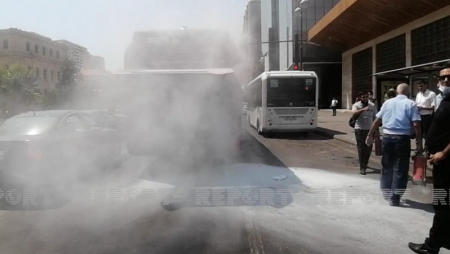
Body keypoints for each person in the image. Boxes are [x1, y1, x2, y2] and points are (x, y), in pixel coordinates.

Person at [409, 68, 450, 254]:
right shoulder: (444, 99)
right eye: (443, 77)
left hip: (446, 161)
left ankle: (432, 245)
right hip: (440, 160)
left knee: (442, 204)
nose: (446, 80)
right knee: (444, 204)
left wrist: (444, 152)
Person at [366, 83, 423, 206]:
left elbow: (377, 121)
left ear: (397, 92)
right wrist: (419, 143)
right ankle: (395, 196)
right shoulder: (411, 104)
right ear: (407, 92)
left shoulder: (387, 103)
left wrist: (369, 135)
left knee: (387, 165)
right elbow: (416, 125)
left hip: (387, 138)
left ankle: (386, 191)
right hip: (402, 139)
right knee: (400, 168)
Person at [352, 91, 377, 175]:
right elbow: (353, 113)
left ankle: (365, 164)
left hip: (369, 130)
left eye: (366, 97)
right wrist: (363, 109)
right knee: (361, 148)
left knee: (368, 148)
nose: (365, 98)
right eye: (363, 97)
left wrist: (376, 131)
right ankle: (362, 167)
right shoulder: (356, 105)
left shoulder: (372, 105)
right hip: (359, 129)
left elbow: (375, 118)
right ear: (360, 98)